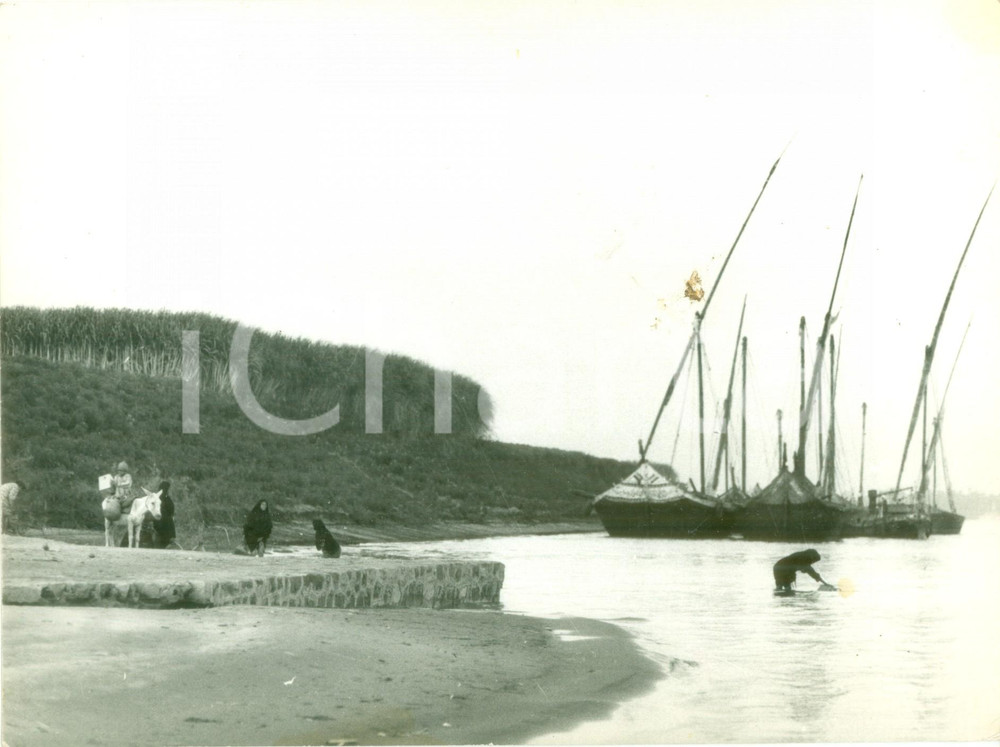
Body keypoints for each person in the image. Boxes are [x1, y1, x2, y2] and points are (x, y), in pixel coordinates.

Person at [153, 480, 176, 549]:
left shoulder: (165, 497)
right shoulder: (160, 497)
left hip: (165, 517)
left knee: (169, 520)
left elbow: (171, 508)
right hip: (160, 518)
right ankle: (168, 541)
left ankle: (168, 541)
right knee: (168, 521)